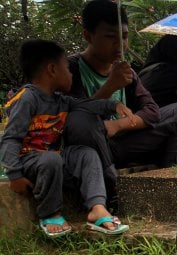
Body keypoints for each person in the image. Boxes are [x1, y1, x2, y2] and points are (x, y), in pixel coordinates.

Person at [63, 0, 177, 211]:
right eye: (110, 37)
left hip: (123, 141)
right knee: (83, 123)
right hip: (92, 147)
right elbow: (73, 119)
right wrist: (109, 87)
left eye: (124, 37)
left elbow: (151, 111)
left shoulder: (127, 72)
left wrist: (118, 126)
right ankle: (111, 191)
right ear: (88, 36)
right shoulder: (70, 68)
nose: (120, 45)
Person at [0, 40, 129, 237]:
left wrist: (113, 106)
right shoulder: (26, 98)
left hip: (54, 157)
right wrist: (15, 174)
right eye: (67, 68)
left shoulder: (61, 100)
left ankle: (97, 207)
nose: (71, 74)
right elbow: (10, 139)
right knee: (50, 159)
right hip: (28, 160)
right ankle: (50, 213)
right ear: (52, 69)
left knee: (86, 154)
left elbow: (86, 105)